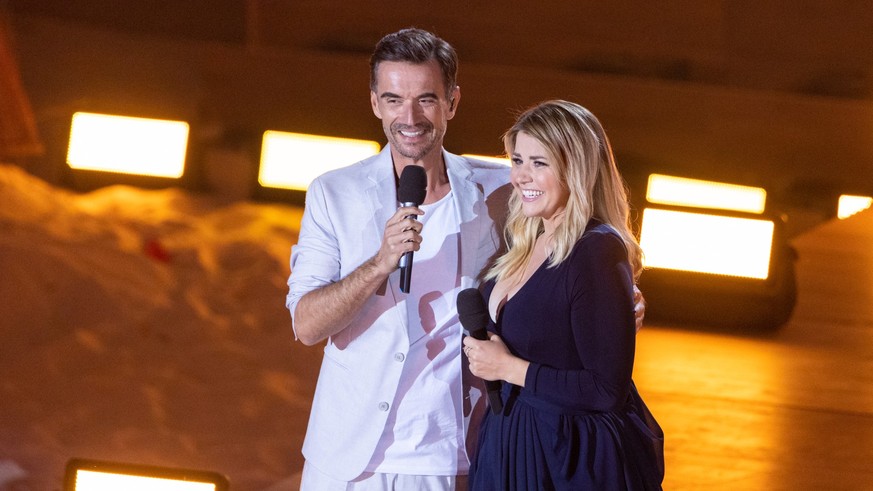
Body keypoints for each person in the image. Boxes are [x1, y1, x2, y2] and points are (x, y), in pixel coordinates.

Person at [286, 29, 646, 490]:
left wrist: (621, 299)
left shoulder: (502, 188)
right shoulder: (334, 193)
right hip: (346, 453)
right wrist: (379, 262)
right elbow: (307, 326)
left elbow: (577, 246)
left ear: (453, 103)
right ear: (375, 102)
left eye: (427, 100)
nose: (409, 117)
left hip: (449, 449)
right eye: (394, 99)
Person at [463, 100, 664, 490]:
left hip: (567, 458)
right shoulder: (526, 237)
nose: (522, 176)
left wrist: (508, 369)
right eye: (518, 160)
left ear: (576, 169)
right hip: (509, 440)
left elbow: (607, 390)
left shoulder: (596, 250)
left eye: (540, 163)